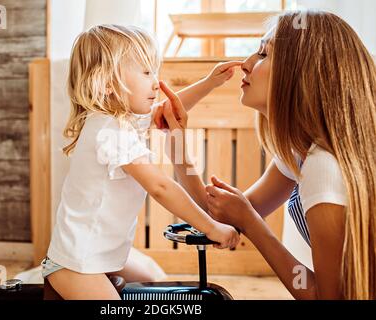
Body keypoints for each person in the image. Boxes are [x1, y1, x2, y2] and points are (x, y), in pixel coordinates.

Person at [154, 11, 376, 300]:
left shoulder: (324, 167)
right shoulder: (298, 153)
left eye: (263, 54)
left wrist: (252, 224)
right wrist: (176, 143)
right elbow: (218, 217)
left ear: (299, 74)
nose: (245, 64)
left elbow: (329, 297)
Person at [41, 24, 241, 300]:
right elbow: (160, 186)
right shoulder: (109, 132)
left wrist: (210, 82)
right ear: (108, 83)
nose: (156, 82)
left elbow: (166, 111)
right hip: (78, 264)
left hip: (102, 256)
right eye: (146, 72)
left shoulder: (118, 121)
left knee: (154, 281)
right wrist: (211, 226)